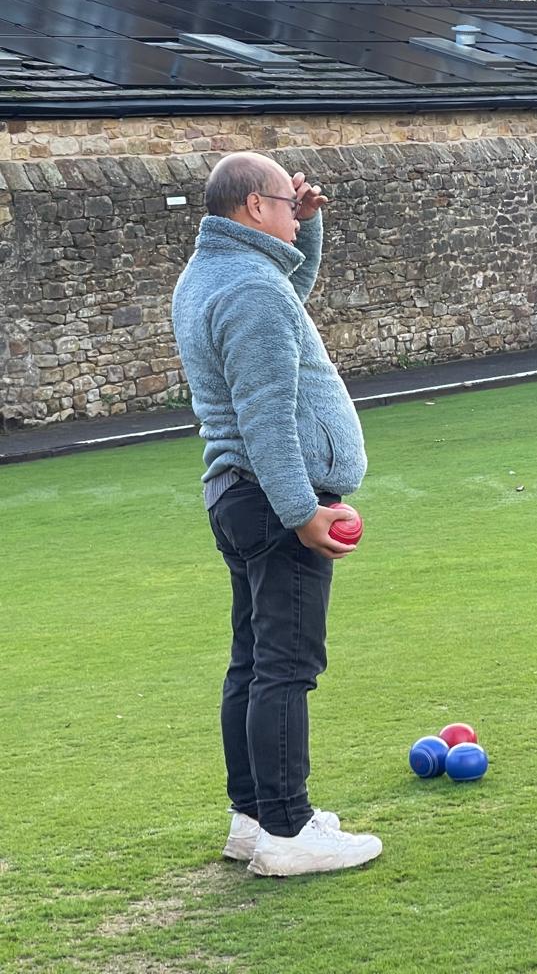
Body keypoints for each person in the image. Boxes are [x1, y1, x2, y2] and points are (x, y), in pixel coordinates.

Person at [171, 152, 382, 876]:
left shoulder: (218, 274)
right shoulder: (251, 291)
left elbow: (288, 301)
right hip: (273, 500)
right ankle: (289, 833)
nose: (298, 204)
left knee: (252, 663)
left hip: (236, 495)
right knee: (286, 668)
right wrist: (303, 512)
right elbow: (267, 414)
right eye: (288, 199)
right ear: (253, 209)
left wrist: (310, 231)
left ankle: (253, 818)